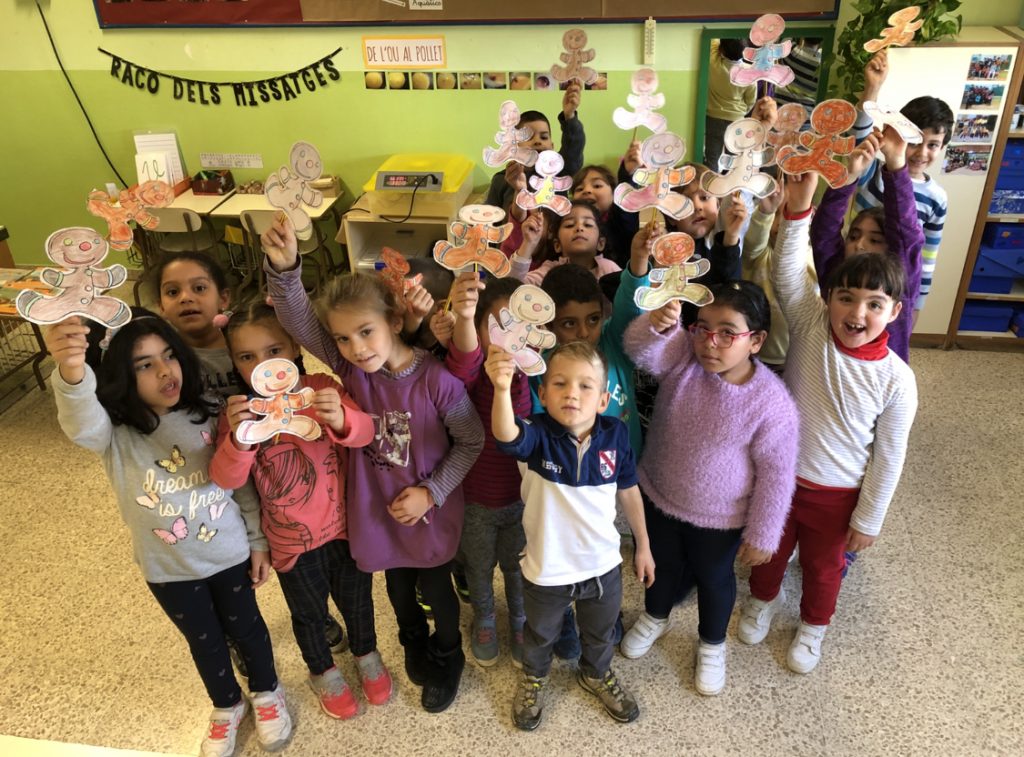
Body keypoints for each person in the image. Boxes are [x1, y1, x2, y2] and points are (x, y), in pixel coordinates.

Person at [260, 215, 484, 714]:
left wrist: (431, 492)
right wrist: (286, 268)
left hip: (429, 513)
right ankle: (413, 644)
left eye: (366, 332)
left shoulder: (437, 381)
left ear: (395, 322)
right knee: (399, 592)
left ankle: (448, 655)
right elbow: (300, 320)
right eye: (342, 339)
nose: (356, 348)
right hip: (377, 512)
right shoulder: (350, 369)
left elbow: (471, 441)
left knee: (437, 591)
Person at [44, 315, 291, 757]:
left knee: (248, 629)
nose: (164, 371)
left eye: (170, 356)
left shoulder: (212, 411)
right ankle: (227, 704)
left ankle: (267, 691)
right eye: (144, 365)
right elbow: (81, 423)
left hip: (230, 555)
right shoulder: (113, 432)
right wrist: (72, 369)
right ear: (123, 375)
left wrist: (257, 541)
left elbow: (241, 485)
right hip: (168, 569)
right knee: (205, 642)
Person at [735, 172, 918, 674]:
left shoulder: (898, 380)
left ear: (894, 312)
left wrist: (869, 519)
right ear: (829, 297)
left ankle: (814, 626)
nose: (857, 312)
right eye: (846, 297)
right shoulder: (812, 322)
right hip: (780, 478)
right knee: (770, 553)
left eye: (874, 304)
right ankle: (762, 601)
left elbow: (890, 455)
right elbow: (788, 272)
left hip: (838, 495)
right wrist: (798, 210)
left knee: (823, 568)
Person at [153, 251, 349, 663]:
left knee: (290, 553)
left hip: (270, 469)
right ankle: (241, 638)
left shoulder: (254, 341)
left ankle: (315, 616)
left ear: (222, 298)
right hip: (212, 476)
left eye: (199, 287)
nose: (187, 297)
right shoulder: (172, 362)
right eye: (173, 292)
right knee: (241, 570)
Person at [209, 302, 394, 720]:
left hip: (346, 530)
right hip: (291, 542)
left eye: (274, 350)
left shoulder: (320, 386)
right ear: (234, 362)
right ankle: (322, 671)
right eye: (247, 356)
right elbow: (225, 478)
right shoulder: (240, 412)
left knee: (358, 602)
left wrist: (342, 418)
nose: (263, 365)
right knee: (309, 615)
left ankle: (366, 653)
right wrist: (239, 440)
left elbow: (365, 433)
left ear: (294, 347)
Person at [619, 282, 799, 696]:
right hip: (660, 494)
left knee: (714, 580)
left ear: (756, 341)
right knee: (660, 566)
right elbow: (639, 349)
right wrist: (658, 325)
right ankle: (656, 616)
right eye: (702, 327)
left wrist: (763, 534)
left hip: (721, 518)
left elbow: (777, 475)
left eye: (727, 333)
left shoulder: (771, 403)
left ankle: (712, 644)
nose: (709, 342)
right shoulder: (684, 355)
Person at [486, 340, 655, 730]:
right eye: (560, 384)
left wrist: (643, 545)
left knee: (600, 633)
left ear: (603, 400)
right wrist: (501, 389)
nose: (572, 394)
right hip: (547, 569)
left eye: (585, 385)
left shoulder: (615, 435)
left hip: (603, 566)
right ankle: (534, 678)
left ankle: (595, 673)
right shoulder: (537, 434)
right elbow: (507, 435)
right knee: (539, 634)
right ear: (543, 394)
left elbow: (628, 489)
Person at [444, 273, 530, 667]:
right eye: (496, 326)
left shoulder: (535, 375)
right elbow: (464, 362)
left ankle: (520, 620)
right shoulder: (473, 372)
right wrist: (464, 317)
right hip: (475, 501)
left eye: (519, 326)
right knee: (478, 569)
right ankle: (485, 618)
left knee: (517, 568)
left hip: (521, 501)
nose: (508, 337)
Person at [810, 127, 924, 363]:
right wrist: (849, 176)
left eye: (874, 240)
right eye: (853, 236)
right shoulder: (837, 273)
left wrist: (896, 163)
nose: (859, 245)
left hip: (880, 380)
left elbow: (906, 235)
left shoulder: (900, 281)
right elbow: (824, 233)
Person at [854, 50, 953, 322]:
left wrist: (915, 304)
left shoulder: (937, 198)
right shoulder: (874, 172)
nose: (921, 152)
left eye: (933, 145)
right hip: (854, 275)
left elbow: (926, 256)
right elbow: (859, 138)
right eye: (914, 141)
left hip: (894, 292)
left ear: (942, 147)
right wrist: (872, 89)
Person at [484, 84, 586, 213]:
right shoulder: (501, 179)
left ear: (552, 147)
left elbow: (573, 150)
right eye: (529, 137)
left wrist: (569, 116)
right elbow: (490, 216)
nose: (538, 141)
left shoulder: (559, 171)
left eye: (544, 137)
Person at [510, 202, 622, 286]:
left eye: (588, 224)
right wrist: (529, 243)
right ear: (557, 245)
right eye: (569, 225)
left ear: (600, 243)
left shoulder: (609, 269)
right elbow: (512, 288)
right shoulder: (549, 272)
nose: (579, 228)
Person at [705, 38, 755, 168]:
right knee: (734, 159)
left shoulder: (713, 63)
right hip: (736, 120)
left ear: (721, 50)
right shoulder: (749, 72)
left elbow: (712, 40)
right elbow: (750, 101)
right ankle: (732, 180)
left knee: (712, 157)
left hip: (713, 118)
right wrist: (741, 112)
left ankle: (711, 180)